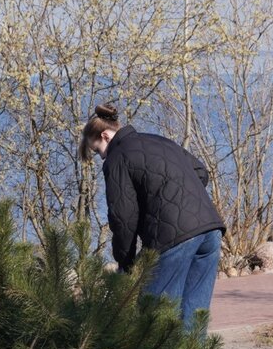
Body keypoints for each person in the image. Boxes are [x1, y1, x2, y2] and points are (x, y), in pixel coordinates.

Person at [79, 103, 226, 332]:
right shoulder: (159, 141)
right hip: (210, 230)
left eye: (97, 150)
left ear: (105, 136)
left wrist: (125, 264)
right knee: (193, 317)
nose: (101, 157)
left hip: (173, 237)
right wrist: (180, 201)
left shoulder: (117, 158)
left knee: (153, 318)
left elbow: (123, 218)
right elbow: (200, 172)